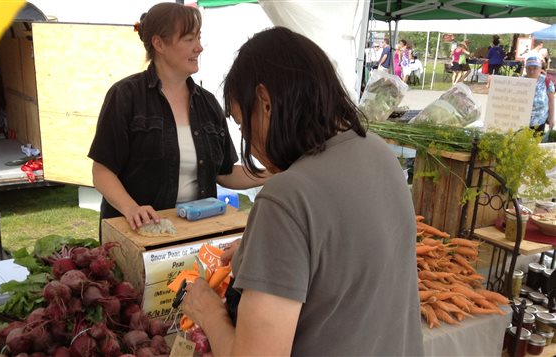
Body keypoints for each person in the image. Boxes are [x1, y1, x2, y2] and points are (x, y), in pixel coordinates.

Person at [181, 26, 424, 356]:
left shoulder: (287, 196)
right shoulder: (378, 152)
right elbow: (341, 266)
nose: (249, 141)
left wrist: (211, 315)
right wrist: (262, 255)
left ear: (265, 103)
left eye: (241, 123)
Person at [88, 3, 268, 232]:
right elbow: (102, 172)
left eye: (199, 38)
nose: (199, 48)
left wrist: (274, 173)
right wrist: (132, 209)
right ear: (159, 43)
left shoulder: (208, 103)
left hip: (194, 232)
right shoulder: (125, 96)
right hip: (138, 234)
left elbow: (226, 173)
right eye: (189, 39)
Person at [524, 56, 555, 136]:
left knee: (535, 145)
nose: (531, 71)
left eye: (535, 68)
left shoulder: (546, 82)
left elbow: (551, 102)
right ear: (525, 69)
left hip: (539, 121)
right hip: (521, 121)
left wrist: (551, 119)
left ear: (540, 69)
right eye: (529, 68)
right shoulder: (519, 82)